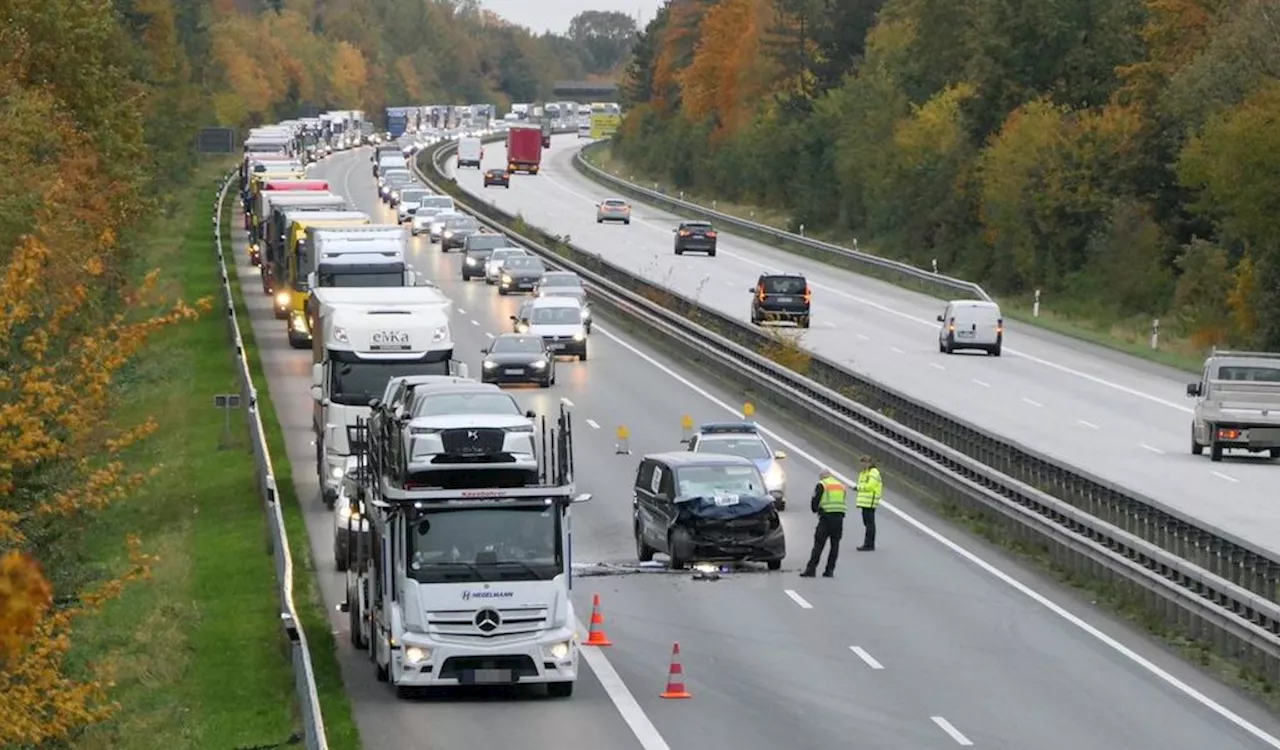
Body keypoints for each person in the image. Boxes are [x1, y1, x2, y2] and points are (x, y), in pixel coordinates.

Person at [800, 469, 846, 578]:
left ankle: (811, 569)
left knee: (818, 544)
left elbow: (815, 500)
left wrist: (815, 509)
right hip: (839, 518)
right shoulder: (840, 485)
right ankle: (829, 570)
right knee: (835, 545)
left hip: (826, 518)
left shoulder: (822, 485)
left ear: (822, 476)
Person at [856, 455, 883, 551]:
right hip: (865, 501)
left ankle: (869, 544)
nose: (862, 465)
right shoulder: (864, 472)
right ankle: (868, 543)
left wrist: (859, 488)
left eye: (863, 463)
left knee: (869, 523)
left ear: (869, 463)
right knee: (866, 522)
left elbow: (871, 486)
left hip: (870, 500)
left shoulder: (873, 473)